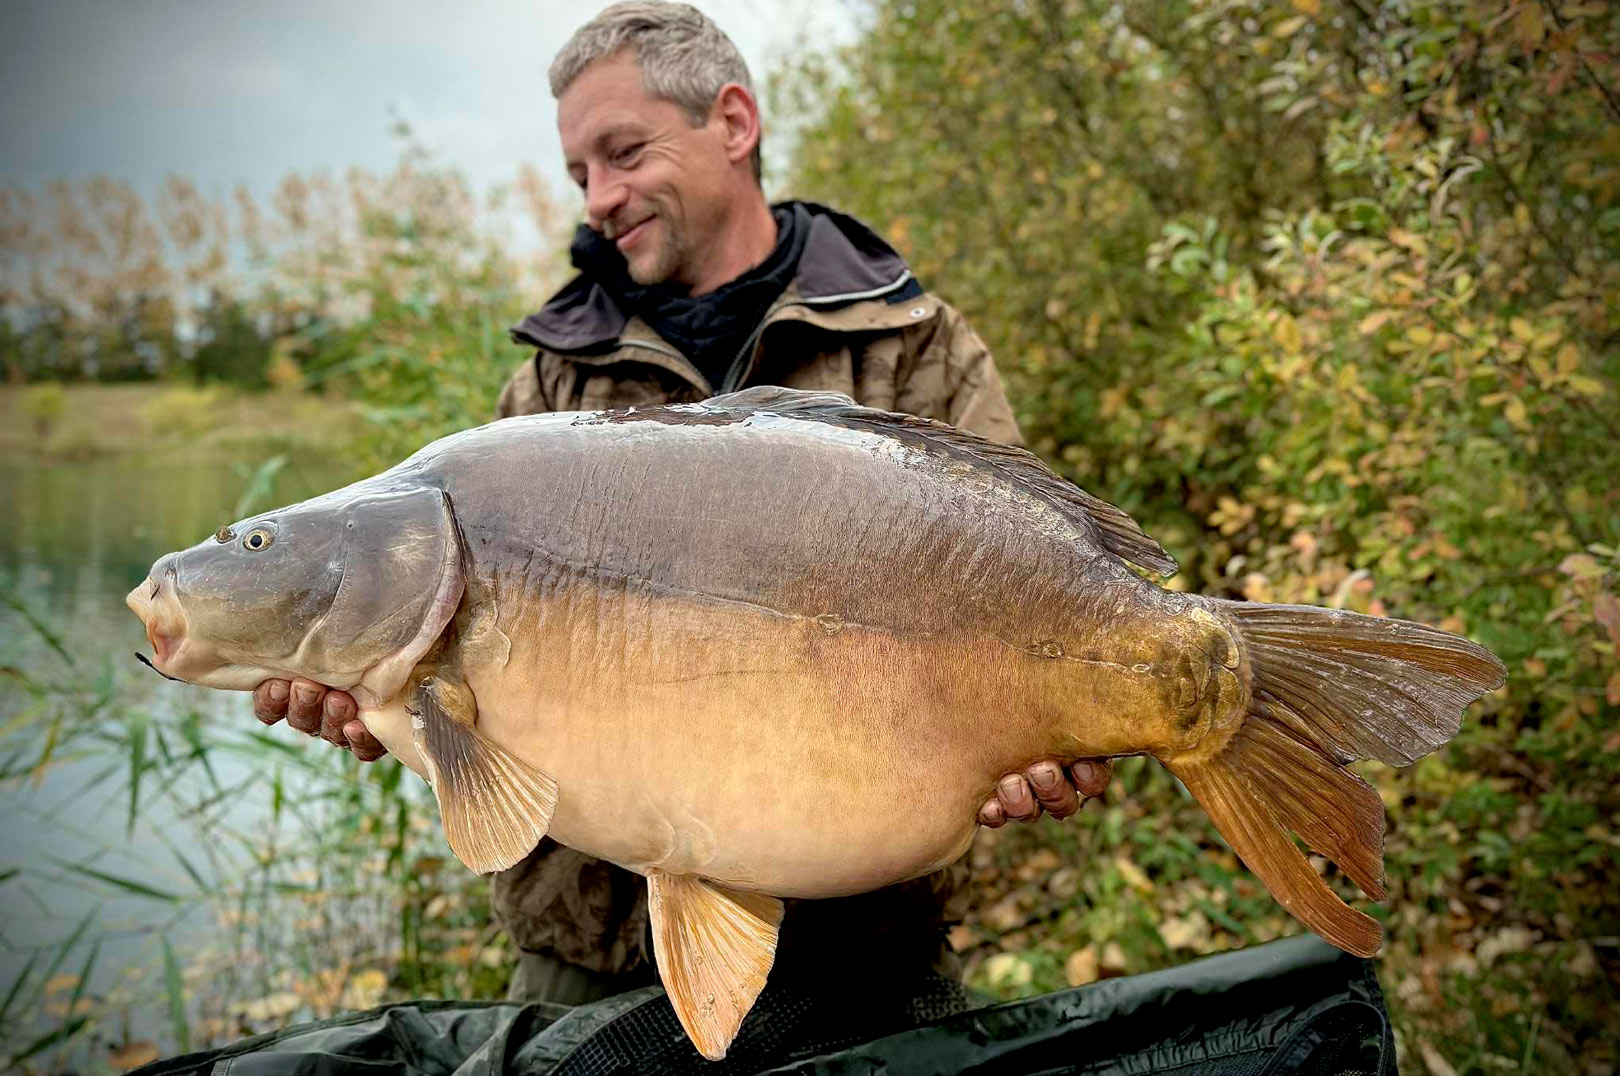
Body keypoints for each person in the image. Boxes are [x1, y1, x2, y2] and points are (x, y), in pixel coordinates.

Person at [252, 0, 1113, 1011]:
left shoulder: (908, 342)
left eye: (623, 153)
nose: (600, 199)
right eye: (580, 174)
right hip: (590, 950)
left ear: (734, 123)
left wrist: (1046, 739)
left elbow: (1037, 593)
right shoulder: (550, 388)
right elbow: (470, 703)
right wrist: (378, 694)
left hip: (869, 947)